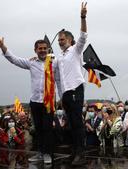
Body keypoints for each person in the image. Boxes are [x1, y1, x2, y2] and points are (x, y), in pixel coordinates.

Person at [0, 34, 54, 163]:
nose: (43, 50)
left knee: (47, 129)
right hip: (35, 102)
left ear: (48, 49)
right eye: (40, 48)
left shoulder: (54, 62)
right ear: (35, 50)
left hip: (48, 102)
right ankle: (40, 152)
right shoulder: (31, 62)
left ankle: (47, 154)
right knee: (38, 129)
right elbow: (14, 59)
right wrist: (2, 47)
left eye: (45, 48)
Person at [54, 2, 88, 166]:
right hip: (66, 93)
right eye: (59, 39)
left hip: (76, 89)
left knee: (77, 121)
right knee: (71, 124)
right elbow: (58, 79)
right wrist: (61, 96)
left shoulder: (75, 49)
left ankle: (81, 153)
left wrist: (82, 17)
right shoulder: (59, 57)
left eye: (62, 39)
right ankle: (75, 150)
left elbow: (83, 36)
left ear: (68, 39)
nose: (60, 41)